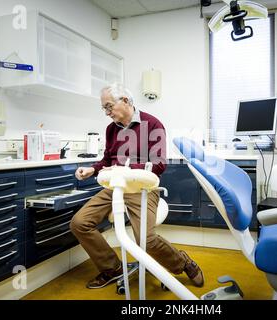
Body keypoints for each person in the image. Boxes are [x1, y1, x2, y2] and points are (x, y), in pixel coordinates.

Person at [70, 83, 204, 289]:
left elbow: (159, 165)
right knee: (79, 223)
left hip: (142, 187)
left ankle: (183, 262)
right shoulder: (111, 129)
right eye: (103, 108)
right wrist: (93, 169)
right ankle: (112, 269)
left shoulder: (152, 124)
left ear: (125, 101)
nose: (106, 113)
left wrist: (123, 170)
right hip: (115, 187)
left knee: (146, 240)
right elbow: (107, 159)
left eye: (108, 106)